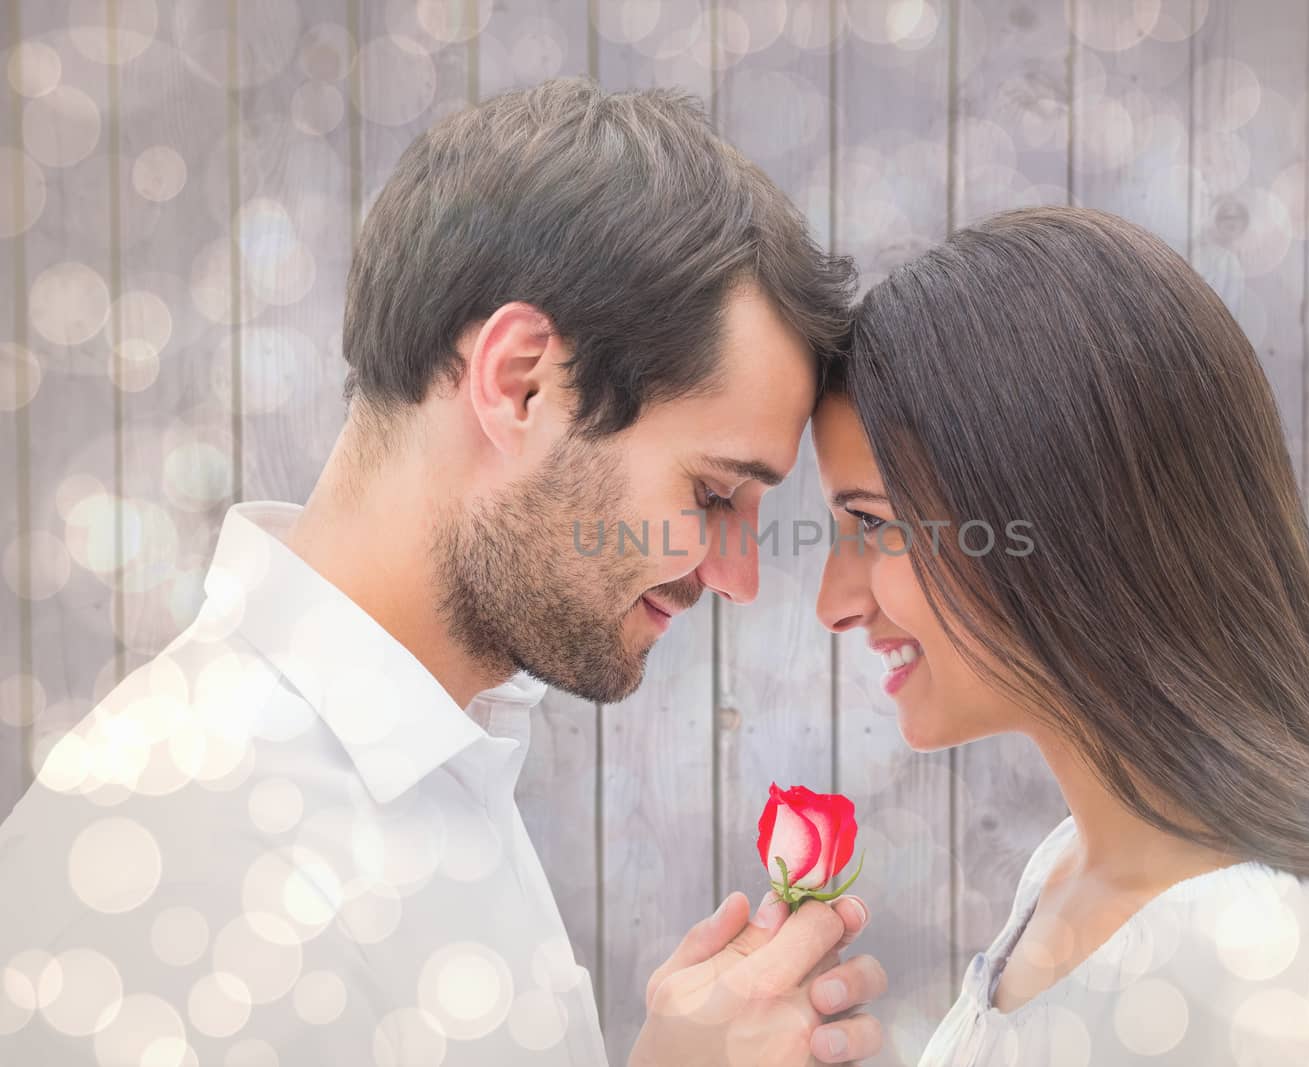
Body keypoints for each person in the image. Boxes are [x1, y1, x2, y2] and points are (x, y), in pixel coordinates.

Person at [0, 79, 885, 1066]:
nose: (740, 577)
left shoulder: (438, 764)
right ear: (520, 383)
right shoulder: (168, 860)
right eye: (714, 493)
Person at [812, 206, 1309, 1066]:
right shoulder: (1069, 872)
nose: (832, 601)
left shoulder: (1250, 955)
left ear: (1063, 517)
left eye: (874, 525)